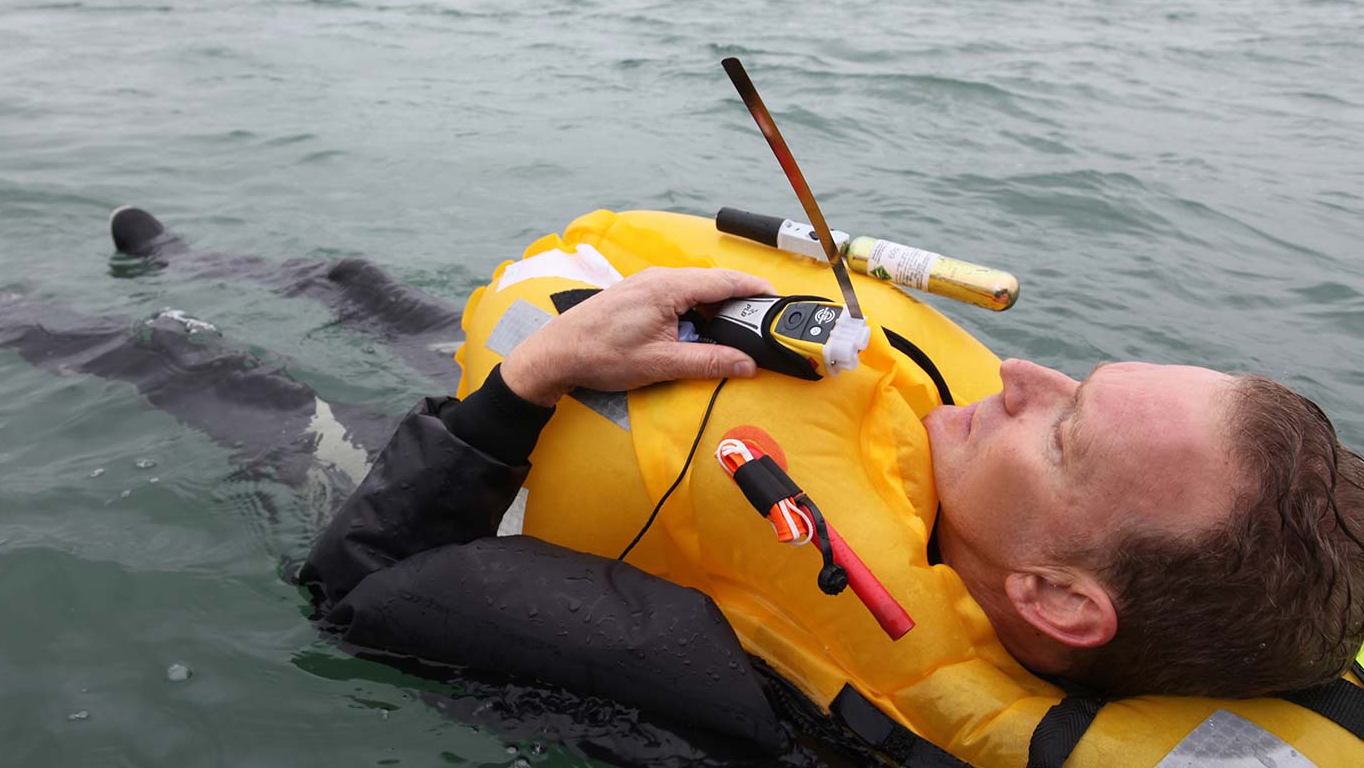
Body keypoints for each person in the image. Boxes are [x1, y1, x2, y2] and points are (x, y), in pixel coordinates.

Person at [307, 264, 1364, 703]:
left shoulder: (753, 696)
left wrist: (531, 377)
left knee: (205, 372)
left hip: (426, 502)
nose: (1023, 376)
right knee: (365, 291)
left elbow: (355, 592)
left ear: (1056, 598)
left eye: (1062, 433)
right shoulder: (1096, 561)